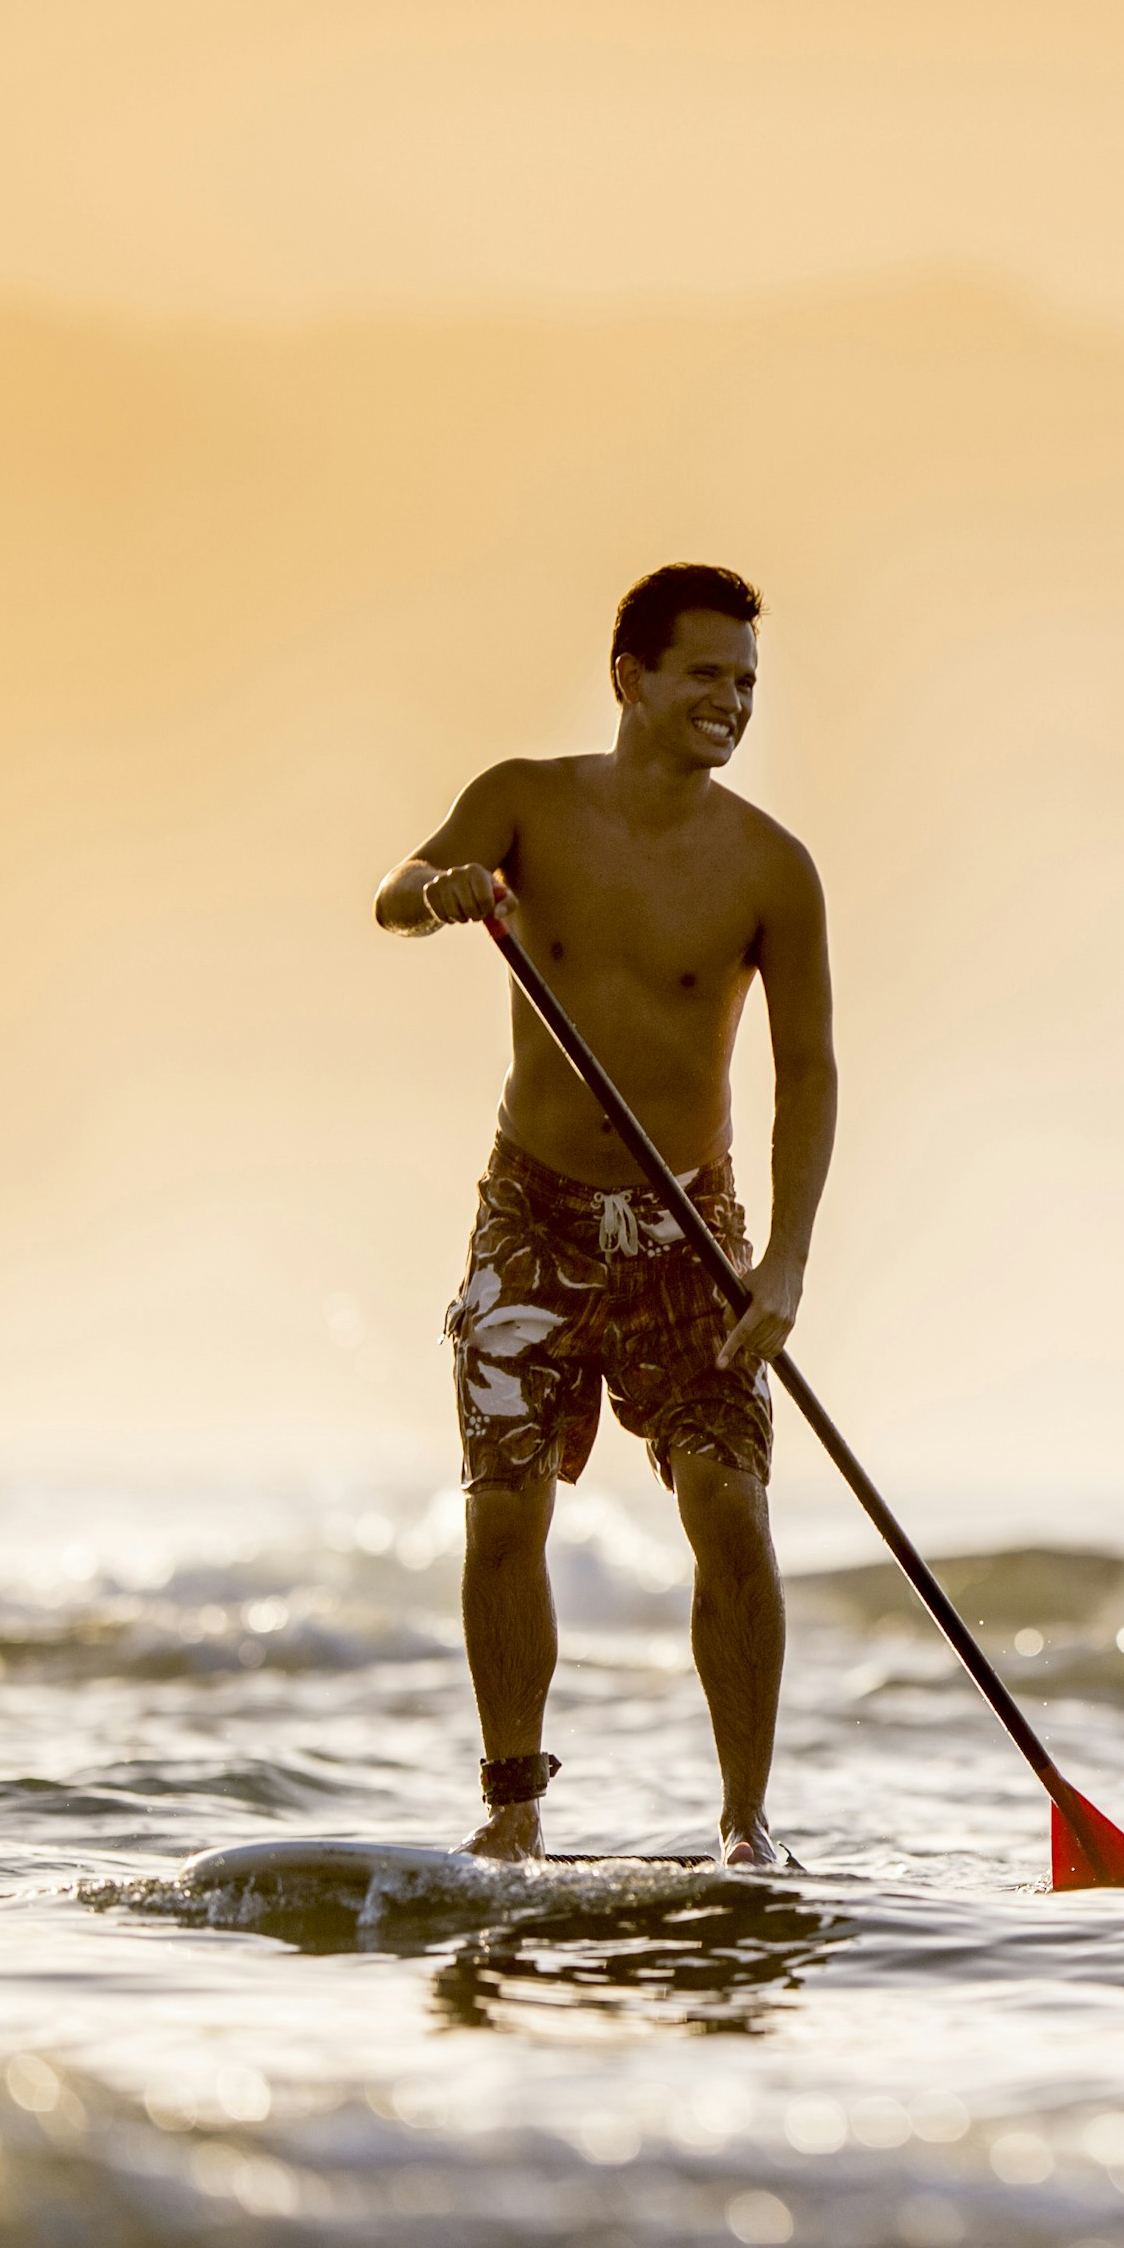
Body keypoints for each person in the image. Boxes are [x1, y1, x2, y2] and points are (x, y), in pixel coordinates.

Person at [372, 563, 836, 1866]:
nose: (730, 703)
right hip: (537, 1215)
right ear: (630, 678)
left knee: (730, 1511)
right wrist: (443, 892)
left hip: (694, 1233)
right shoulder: (525, 802)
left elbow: (809, 1074)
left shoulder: (770, 870)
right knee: (506, 1508)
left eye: (746, 683)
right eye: (705, 676)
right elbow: (397, 889)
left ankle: (747, 1830)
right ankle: (512, 1814)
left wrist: (784, 1267)